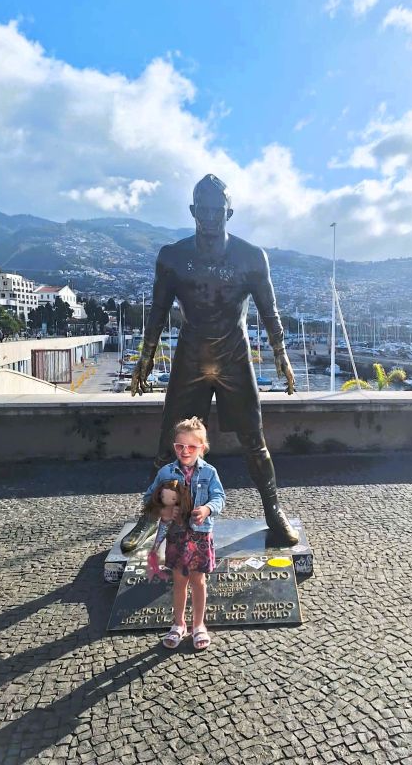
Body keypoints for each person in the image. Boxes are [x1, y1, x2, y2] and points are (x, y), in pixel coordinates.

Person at [123, 173, 298, 552]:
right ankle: (150, 517)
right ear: (192, 211)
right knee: (167, 447)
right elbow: (157, 312)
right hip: (190, 357)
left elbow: (270, 312)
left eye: (217, 210)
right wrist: (145, 357)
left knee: (255, 441)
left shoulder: (251, 257)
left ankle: (274, 512)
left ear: (229, 212)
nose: (210, 216)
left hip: (234, 357)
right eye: (203, 209)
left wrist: (281, 354)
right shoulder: (173, 257)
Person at [141, 417, 225, 651]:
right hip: (176, 534)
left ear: (202, 447)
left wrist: (208, 509)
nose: (185, 451)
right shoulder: (166, 472)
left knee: (198, 581)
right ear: (174, 446)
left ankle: (199, 625)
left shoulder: (209, 472)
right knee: (179, 581)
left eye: (191, 446)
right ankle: (179, 624)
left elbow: (220, 497)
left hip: (200, 535)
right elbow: (148, 497)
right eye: (180, 446)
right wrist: (163, 509)